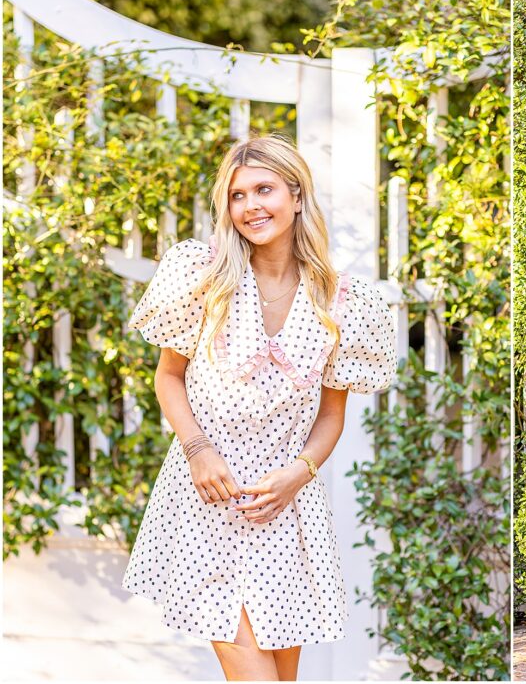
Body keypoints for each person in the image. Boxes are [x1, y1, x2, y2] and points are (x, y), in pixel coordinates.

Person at [121, 134, 397, 680]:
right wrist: (198, 450)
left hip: (284, 508)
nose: (250, 206)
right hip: (207, 499)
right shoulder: (202, 277)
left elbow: (331, 414)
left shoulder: (342, 302)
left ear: (296, 196)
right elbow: (168, 377)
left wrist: (300, 473)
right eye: (237, 195)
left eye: (264, 189)